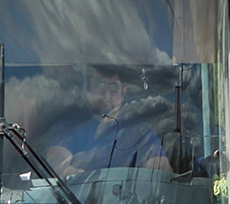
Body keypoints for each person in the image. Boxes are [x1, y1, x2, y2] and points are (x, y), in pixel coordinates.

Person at [42, 67, 171, 176]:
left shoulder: (140, 130)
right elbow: (57, 165)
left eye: (113, 87)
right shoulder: (67, 126)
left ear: (123, 92)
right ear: (88, 90)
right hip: (76, 203)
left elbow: (159, 171)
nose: (106, 94)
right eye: (100, 85)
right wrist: (92, 186)